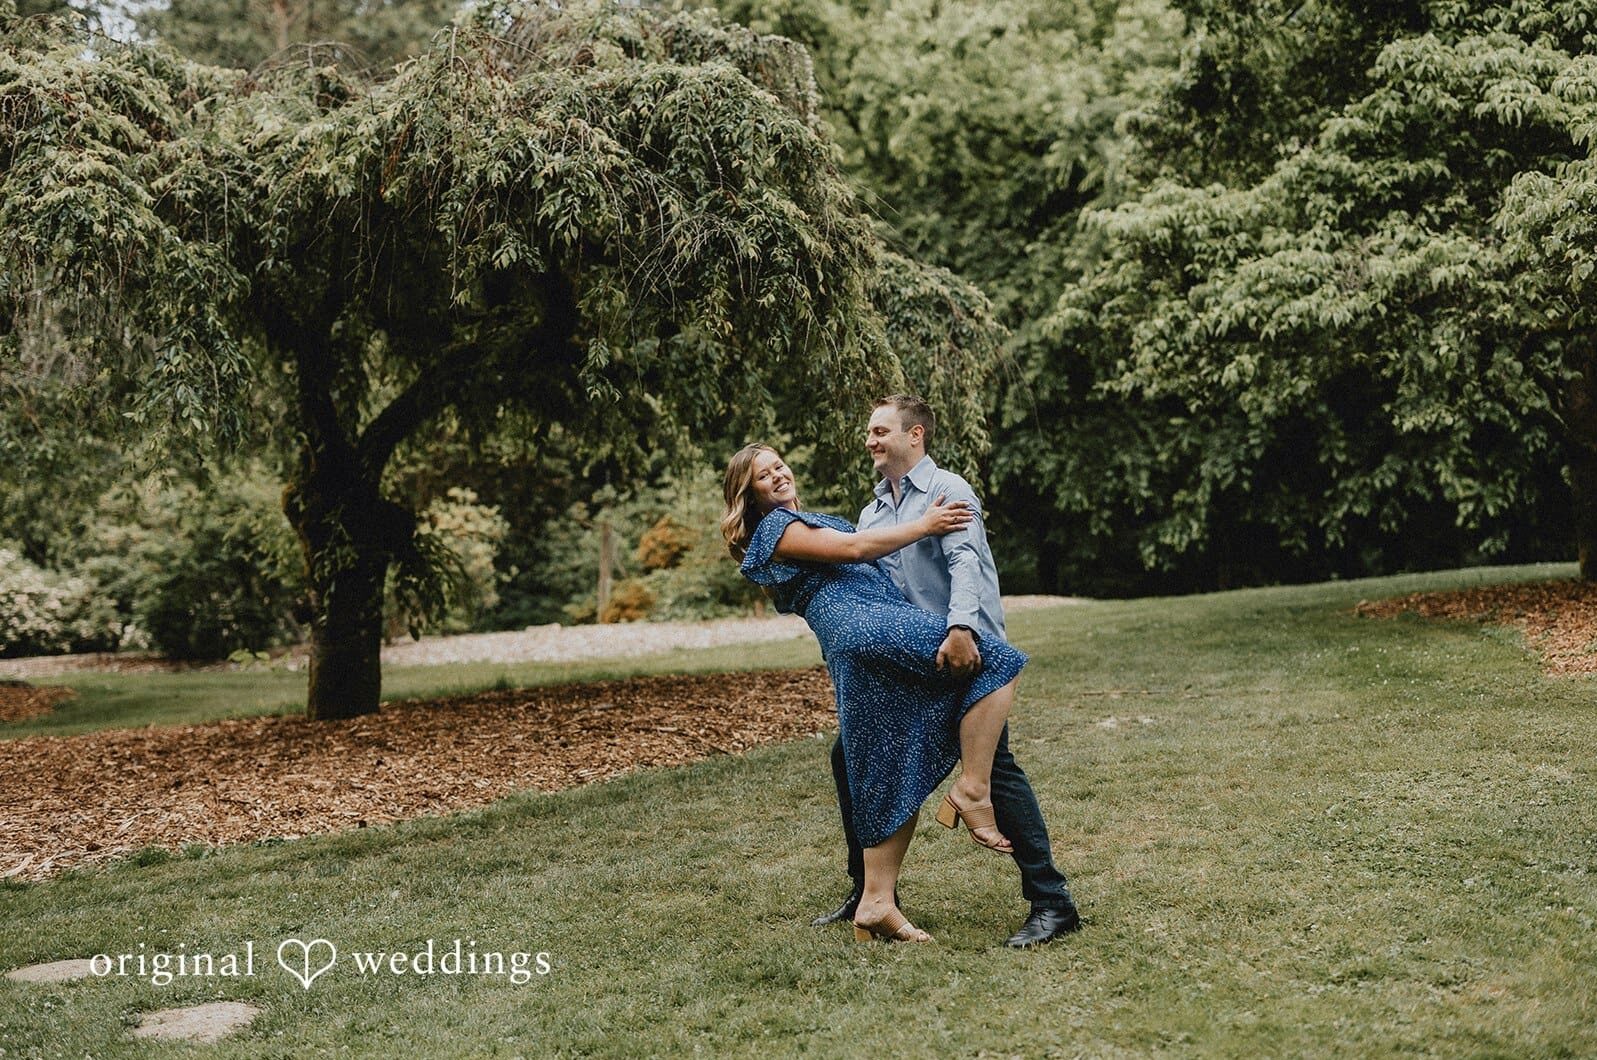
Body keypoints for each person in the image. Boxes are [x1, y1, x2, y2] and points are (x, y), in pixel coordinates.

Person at [722, 443, 1026, 943]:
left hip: (855, 633)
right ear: (748, 496)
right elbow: (856, 549)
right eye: (762, 476)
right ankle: (973, 789)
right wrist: (928, 525)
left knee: (883, 755)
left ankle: (876, 903)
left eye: (778, 465)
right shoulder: (775, 527)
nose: (777, 476)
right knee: (996, 660)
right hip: (862, 624)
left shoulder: (801, 522)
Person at [812, 394, 1081, 948]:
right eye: (869, 431)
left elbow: (964, 564)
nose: (871, 440)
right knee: (849, 757)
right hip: (915, 662)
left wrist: (962, 630)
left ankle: (1053, 903)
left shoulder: (948, 491)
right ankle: (870, 892)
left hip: (968, 657)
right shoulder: (874, 514)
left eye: (881, 430)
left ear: (916, 436)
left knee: (995, 769)